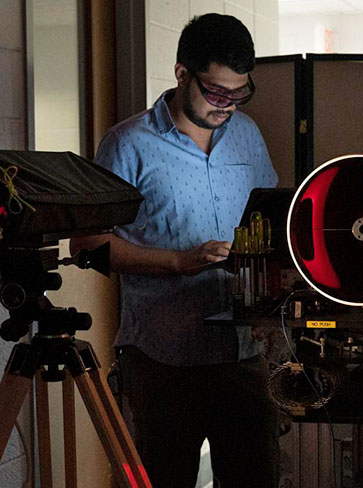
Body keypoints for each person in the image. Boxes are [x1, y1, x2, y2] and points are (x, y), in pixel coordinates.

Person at [70, 14, 279, 488]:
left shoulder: (246, 133)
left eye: (239, 93)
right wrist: (176, 263)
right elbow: (87, 248)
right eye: (215, 92)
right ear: (182, 73)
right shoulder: (128, 144)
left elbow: (266, 219)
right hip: (163, 361)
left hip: (241, 354)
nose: (227, 105)